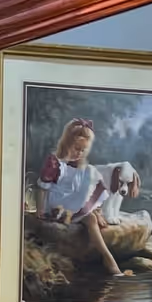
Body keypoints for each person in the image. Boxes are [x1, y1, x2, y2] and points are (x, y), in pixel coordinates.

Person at [33, 116, 119, 275]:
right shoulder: (55, 162)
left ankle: (109, 259)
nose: (79, 153)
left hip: (73, 206)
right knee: (90, 176)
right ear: (66, 143)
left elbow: (77, 188)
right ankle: (88, 211)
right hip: (56, 205)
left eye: (82, 150)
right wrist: (40, 211)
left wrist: (96, 211)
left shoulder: (81, 165)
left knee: (91, 218)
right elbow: (43, 188)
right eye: (76, 148)